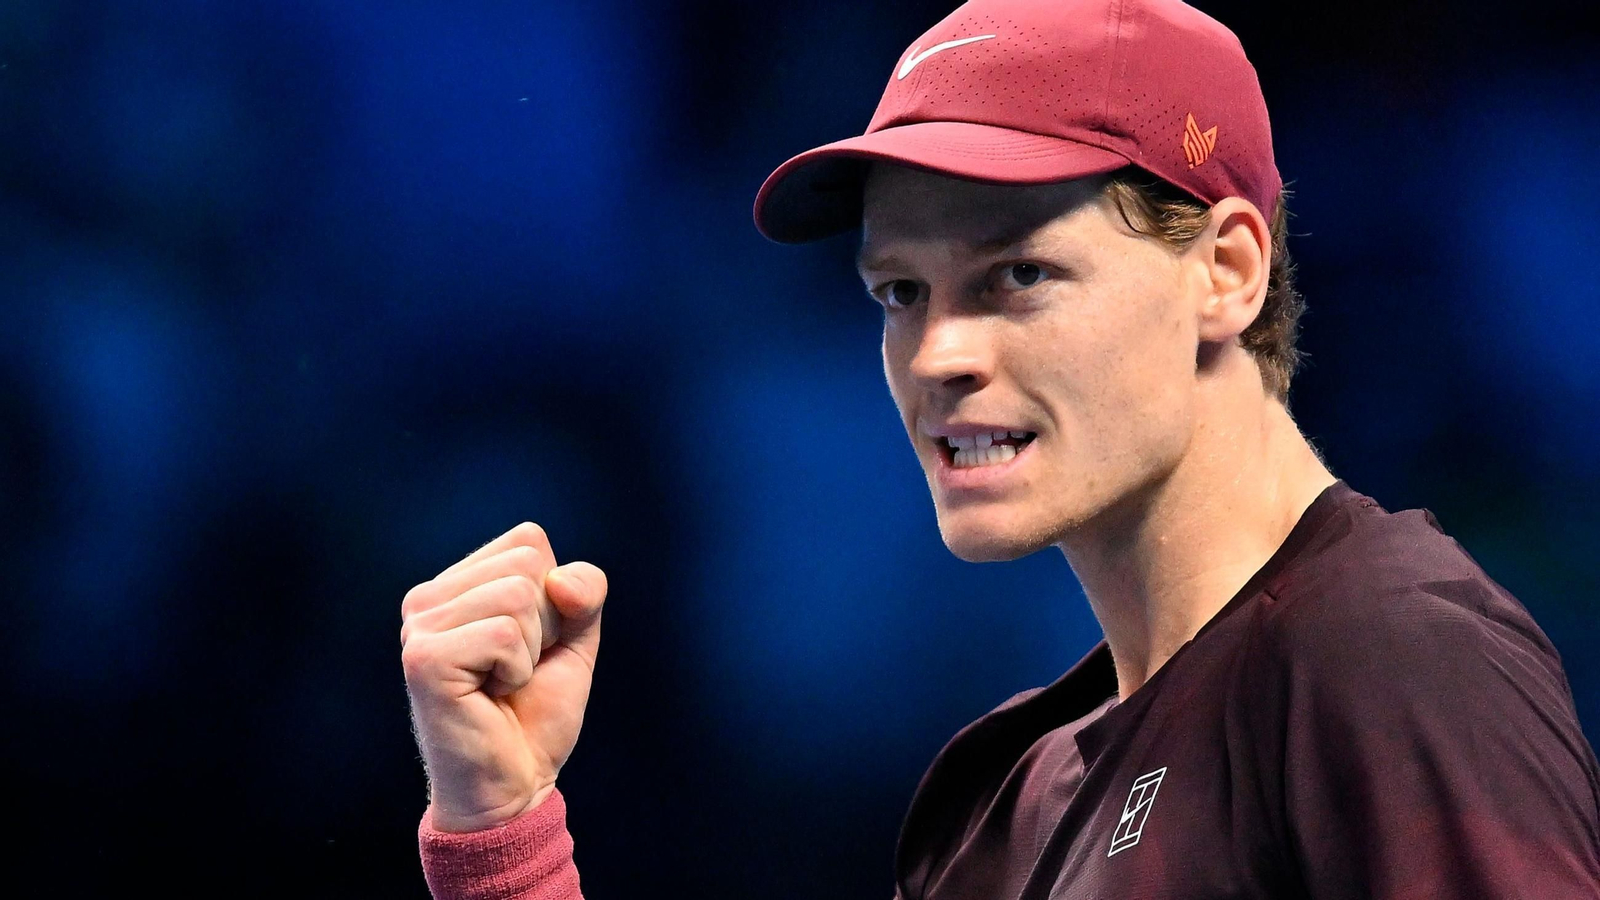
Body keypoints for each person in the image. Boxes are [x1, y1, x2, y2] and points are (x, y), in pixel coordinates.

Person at [399, 0, 1600, 896]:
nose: (936, 357)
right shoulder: (998, 795)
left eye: (1018, 273)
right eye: (900, 293)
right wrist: (503, 830)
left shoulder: (1386, 654)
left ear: (1225, 272)